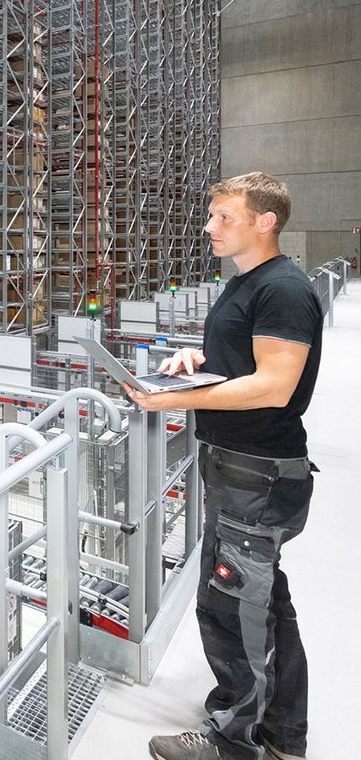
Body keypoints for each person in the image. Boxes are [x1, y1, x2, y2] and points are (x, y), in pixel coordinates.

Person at [124, 172, 322, 760]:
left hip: (257, 472)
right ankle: (282, 733)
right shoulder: (246, 284)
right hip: (240, 467)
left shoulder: (283, 289)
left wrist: (174, 399)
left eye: (224, 216)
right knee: (260, 602)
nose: (210, 226)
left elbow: (275, 385)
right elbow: (245, 362)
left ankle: (234, 743)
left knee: (236, 608)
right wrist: (198, 359)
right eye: (211, 215)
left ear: (266, 221)